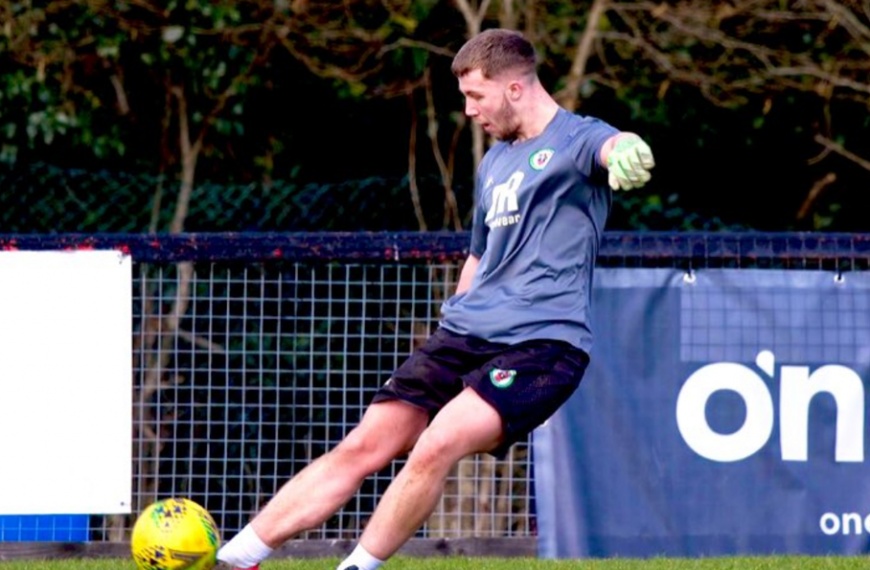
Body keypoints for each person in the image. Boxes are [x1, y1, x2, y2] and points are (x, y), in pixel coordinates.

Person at [216, 27, 654, 570]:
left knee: (436, 442)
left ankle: (357, 569)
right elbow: (478, 255)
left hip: (542, 346)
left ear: (515, 88)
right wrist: (452, 322)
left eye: (476, 96)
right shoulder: (495, 162)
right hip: (464, 335)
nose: (469, 111)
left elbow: (614, 146)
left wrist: (630, 148)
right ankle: (234, 557)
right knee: (363, 446)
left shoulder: (577, 140)